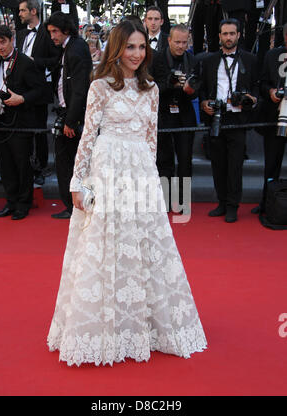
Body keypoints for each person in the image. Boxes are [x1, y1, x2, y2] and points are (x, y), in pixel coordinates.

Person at [47, 20, 207, 367]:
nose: (136, 54)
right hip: (106, 171)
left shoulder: (152, 89)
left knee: (143, 244)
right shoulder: (100, 86)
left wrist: (151, 181)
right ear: (116, 48)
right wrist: (79, 183)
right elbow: (88, 137)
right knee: (103, 243)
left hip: (140, 174)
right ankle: (103, 326)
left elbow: (152, 139)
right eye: (130, 47)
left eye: (141, 47)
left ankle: (143, 325)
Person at [200, 18, 258, 223]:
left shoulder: (250, 60)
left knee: (235, 165)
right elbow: (203, 89)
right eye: (225, 34)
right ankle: (222, 203)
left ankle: (233, 205)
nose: (228, 37)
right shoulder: (208, 60)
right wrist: (204, 102)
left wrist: (252, 98)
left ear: (239, 35)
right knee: (218, 163)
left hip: (238, 118)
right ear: (219, 36)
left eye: (232, 33)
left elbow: (256, 87)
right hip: (216, 117)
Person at [0, 25, 43, 220]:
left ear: (11, 40)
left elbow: (40, 91)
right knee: (5, 165)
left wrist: (21, 98)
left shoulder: (25, 62)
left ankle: (23, 203)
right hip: (0, 121)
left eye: (2, 42)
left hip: (21, 121)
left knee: (22, 164)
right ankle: (11, 202)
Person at [45, 12, 92, 219]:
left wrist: (71, 121)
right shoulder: (70, 47)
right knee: (67, 163)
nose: (52, 36)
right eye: (50, 32)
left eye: (55, 31)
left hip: (73, 117)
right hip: (69, 113)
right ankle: (72, 205)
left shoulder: (76, 48)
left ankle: (73, 207)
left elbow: (80, 88)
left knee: (69, 163)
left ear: (65, 29)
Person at [152, 24, 198, 212]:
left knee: (185, 161)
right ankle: (165, 200)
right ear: (169, 40)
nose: (181, 46)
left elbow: (196, 90)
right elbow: (151, 88)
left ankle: (183, 202)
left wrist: (190, 90)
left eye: (184, 42)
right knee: (164, 160)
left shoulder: (192, 60)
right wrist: (170, 84)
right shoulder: (156, 59)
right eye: (177, 42)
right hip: (163, 114)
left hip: (185, 115)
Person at [17, 0, 60, 186]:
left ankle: (41, 167)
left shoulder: (46, 33)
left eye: (23, 10)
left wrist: (35, 61)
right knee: (22, 131)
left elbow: (55, 59)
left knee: (40, 131)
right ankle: (23, 168)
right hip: (21, 90)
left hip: (40, 88)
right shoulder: (20, 34)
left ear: (33, 11)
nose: (19, 14)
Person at [251, 22, 287, 215]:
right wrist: (271, 91)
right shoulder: (272, 55)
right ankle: (267, 204)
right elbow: (262, 83)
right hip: (274, 119)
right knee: (271, 165)